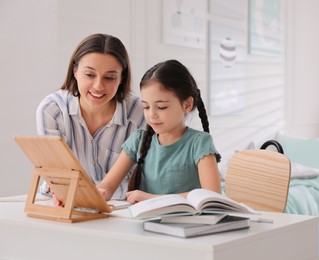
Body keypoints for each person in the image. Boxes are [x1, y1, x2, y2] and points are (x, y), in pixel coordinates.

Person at [36, 33, 145, 199]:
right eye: (89, 75)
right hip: (61, 200)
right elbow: (55, 174)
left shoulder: (140, 112)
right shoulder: (52, 110)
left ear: (121, 78)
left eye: (109, 77)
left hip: (119, 205)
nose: (98, 86)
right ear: (75, 71)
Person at [97, 59, 222, 203]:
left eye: (161, 107)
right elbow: (108, 185)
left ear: (187, 104)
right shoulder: (138, 140)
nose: (151, 115)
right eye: (146, 107)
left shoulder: (200, 143)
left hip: (190, 223)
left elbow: (212, 195)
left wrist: (151, 199)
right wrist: (97, 193)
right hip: (145, 222)